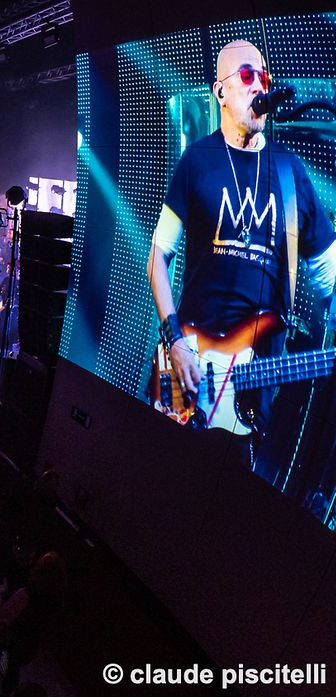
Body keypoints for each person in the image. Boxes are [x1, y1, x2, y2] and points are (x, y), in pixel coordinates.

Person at [147, 40, 335, 460]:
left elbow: (330, 277)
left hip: (252, 396)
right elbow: (158, 255)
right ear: (221, 92)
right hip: (188, 367)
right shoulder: (197, 160)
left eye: (263, 76)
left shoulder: (291, 172)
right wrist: (175, 339)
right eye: (247, 76)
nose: (258, 86)